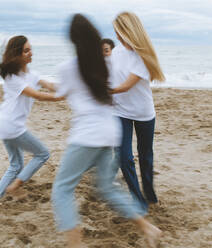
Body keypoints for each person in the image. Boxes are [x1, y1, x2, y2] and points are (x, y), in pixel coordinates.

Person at [51, 14, 162, 248]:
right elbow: (103, 85)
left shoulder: (69, 67)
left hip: (97, 131)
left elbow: (62, 93)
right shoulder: (105, 61)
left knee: (62, 189)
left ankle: (75, 244)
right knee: (111, 180)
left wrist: (39, 82)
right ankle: (145, 223)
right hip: (111, 127)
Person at [0, 35, 63, 211]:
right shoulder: (13, 78)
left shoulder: (32, 74)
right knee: (43, 154)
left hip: (4, 125)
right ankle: (14, 186)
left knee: (15, 165)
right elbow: (37, 95)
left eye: (30, 49)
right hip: (12, 126)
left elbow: (50, 86)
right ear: (17, 54)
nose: (31, 53)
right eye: (26, 50)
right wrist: (63, 97)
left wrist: (72, 87)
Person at [110, 12, 166, 213]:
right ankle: (138, 199)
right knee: (124, 157)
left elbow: (125, 86)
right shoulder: (115, 53)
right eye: (115, 32)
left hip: (143, 113)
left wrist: (104, 90)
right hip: (120, 112)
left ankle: (149, 193)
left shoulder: (143, 56)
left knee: (145, 155)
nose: (116, 35)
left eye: (118, 31)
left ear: (127, 31)